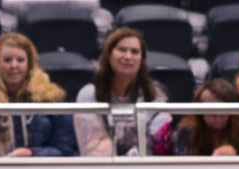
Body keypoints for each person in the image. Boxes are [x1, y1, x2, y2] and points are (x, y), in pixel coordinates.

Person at [74, 28, 172, 156]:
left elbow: (156, 147)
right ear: (108, 55)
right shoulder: (89, 95)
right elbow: (93, 150)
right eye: (122, 50)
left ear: (142, 59)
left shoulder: (154, 96)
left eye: (134, 52)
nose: (128, 57)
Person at [0, 33, 76, 157]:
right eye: (7, 60)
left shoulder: (52, 97)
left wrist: (31, 154)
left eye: (20, 60)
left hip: (42, 167)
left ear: (30, 63)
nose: (14, 66)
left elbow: (65, 150)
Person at [173, 79, 239, 156]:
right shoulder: (187, 131)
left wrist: (235, 158)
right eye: (211, 108)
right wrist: (212, 162)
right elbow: (181, 166)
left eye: (222, 108)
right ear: (200, 111)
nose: (217, 114)